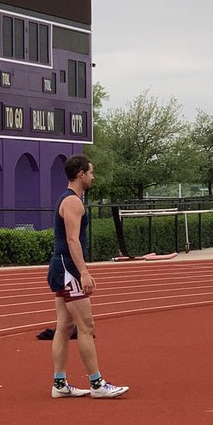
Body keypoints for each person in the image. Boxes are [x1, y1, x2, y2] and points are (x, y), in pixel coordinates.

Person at [47, 154, 128, 398]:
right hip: (68, 268)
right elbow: (72, 240)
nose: (93, 177)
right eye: (91, 172)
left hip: (61, 267)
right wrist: (84, 272)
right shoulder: (73, 202)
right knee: (86, 325)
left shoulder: (69, 200)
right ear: (81, 174)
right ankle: (97, 384)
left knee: (64, 327)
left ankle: (59, 384)